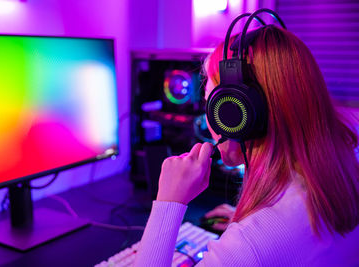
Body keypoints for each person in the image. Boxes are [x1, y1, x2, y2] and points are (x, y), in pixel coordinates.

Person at [134, 22, 359, 266]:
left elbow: (262, 245)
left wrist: (169, 201)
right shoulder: (345, 169)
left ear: (237, 117)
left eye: (211, 103)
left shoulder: (248, 246)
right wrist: (248, 221)